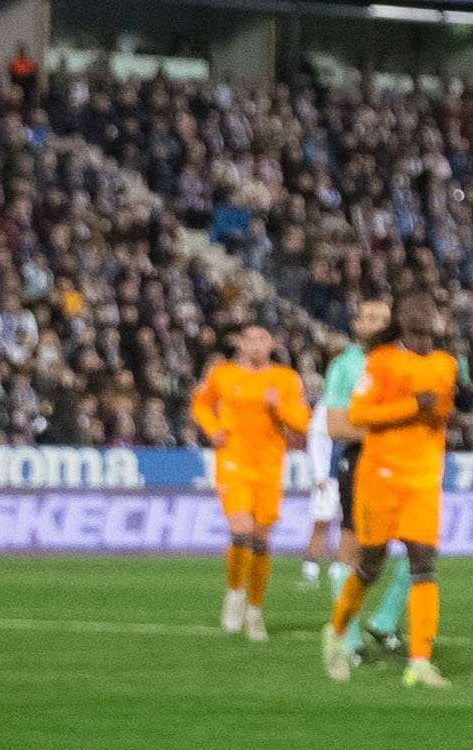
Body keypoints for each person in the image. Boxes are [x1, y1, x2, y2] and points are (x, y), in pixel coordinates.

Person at [327, 297, 456, 690]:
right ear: (403, 326)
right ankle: (335, 634)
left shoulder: (444, 364)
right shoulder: (380, 361)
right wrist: (412, 405)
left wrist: (431, 409)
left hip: (423, 476)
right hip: (380, 476)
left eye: (429, 329)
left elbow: (442, 411)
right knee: (370, 565)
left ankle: (420, 661)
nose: (423, 336)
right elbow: (360, 415)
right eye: (416, 329)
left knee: (424, 565)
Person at [188, 320, 307, 643]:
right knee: (240, 531)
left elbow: (302, 422)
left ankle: (255, 610)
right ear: (240, 343)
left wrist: (277, 405)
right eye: (249, 339)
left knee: (260, 541)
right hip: (232, 462)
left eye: (261, 339)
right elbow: (199, 403)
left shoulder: (285, 379)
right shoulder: (223, 373)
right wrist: (213, 429)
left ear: (271, 345)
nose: (255, 345)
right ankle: (234, 593)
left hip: (269, 468)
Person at [305, 294, 388, 598]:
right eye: (365, 317)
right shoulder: (344, 366)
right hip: (360, 460)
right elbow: (336, 427)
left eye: (377, 318)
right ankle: (344, 627)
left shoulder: (404, 362)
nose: (370, 324)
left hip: (402, 462)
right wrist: (388, 433)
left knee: (415, 545)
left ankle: (384, 623)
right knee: (352, 537)